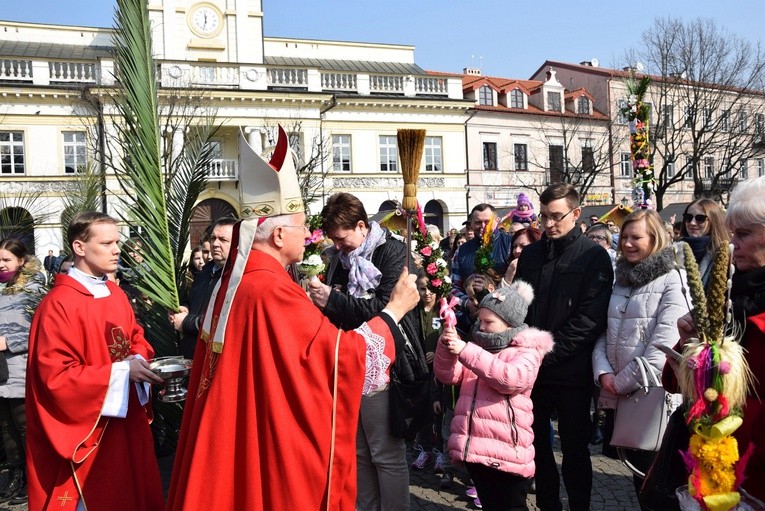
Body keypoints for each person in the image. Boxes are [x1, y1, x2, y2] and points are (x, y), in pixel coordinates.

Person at [166, 126, 420, 511]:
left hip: (241, 431)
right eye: (303, 229)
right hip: (269, 442)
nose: (308, 237)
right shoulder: (271, 289)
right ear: (281, 234)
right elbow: (340, 356)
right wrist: (395, 310)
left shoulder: (239, 281)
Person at [26, 212, 164, 511]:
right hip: (91, 430)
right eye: (107, 243)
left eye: (117, 242)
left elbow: (134, 337)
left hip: (127, 422)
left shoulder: (115, 293)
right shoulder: (58, 305)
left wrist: (138, 359)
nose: (117, 249)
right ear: (79, 247)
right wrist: (120, 372)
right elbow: (56, 379)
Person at [309, 191, 426, 511]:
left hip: (384, 368)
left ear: (362, 226)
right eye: (333, 239)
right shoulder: (338, 258)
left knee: (385, 455)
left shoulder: (394, 252)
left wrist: (333, 300)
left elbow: (386, 311)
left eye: (341, 238)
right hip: (349, 362)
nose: (336, 245)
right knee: (358, 452)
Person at [513, 183, 614, 511]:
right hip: (532, 371)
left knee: (574, 450)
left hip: (571, 371)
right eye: (544, 217)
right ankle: (547, 505)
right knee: (538, 448)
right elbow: (519, 306)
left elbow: (589, 319)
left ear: (576, 213)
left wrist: (546, 352)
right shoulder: (531, 254)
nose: (549, 224)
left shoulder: (593, 256)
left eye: (556, 217)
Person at [666, 177, 765, 502]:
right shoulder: (723, 295)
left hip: (753, 471)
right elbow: (676, 384)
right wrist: (686, 344)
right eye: (732, 232)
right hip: (708, 466)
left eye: (744, 234)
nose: (732, 243)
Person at [591, 209, 688, 503]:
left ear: (655, 239)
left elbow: (665, 345)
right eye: (625, 238)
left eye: (637, 238)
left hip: (653, 397)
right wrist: (603, 372)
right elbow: (604, 331)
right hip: (620, 395)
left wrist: (620, 382)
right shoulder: (621, 280)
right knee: (638, 481)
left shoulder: (672, 279)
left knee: (656, 485)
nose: (628, 244)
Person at [435, 281, 554, 510]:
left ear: (510, 323)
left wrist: (467, 350)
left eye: (489, 322)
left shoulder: (527, 351)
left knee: (511, 505)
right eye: (480, 320)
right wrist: (446, 346)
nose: (482, 326)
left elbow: (510, 379)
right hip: (477, 446)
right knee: (491, 504)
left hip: (507, 449)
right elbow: (448, 375)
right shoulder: (479, 348)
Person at [0, 239, 45, 505]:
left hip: (21, 367)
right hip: (0, 371)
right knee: (6, 427)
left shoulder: (34, 289)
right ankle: (16, 474)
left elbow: (42, 329)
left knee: (25, 425)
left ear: (21, 260)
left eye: (6, 260)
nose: (1, 265)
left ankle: (33, 477)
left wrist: (9, 342)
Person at [169, 218, 235, 359]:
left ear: (236, 243)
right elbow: (193, 299)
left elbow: (226, 320)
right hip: (192, 352)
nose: (215, 244)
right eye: (213, 238)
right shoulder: (204, 272)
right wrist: (184, 308)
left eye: (223, 240)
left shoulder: (237, 277)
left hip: (216, 356)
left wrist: (186, 322)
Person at [451, 204, 512, 317]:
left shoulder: (510, 245)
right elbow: (454, 287)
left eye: (487, 222)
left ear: (497, 221)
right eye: (478, 222)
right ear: (471, 223)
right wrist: (467, 303)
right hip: (472, 316)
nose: (483, 226)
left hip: (503, 314)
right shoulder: (461, 251)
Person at [677, 198, 729, 287]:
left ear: (714, 221)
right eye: (688, 217)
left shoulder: (725, 255)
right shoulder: (673, 252)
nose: (692, 223)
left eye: (700, 218)